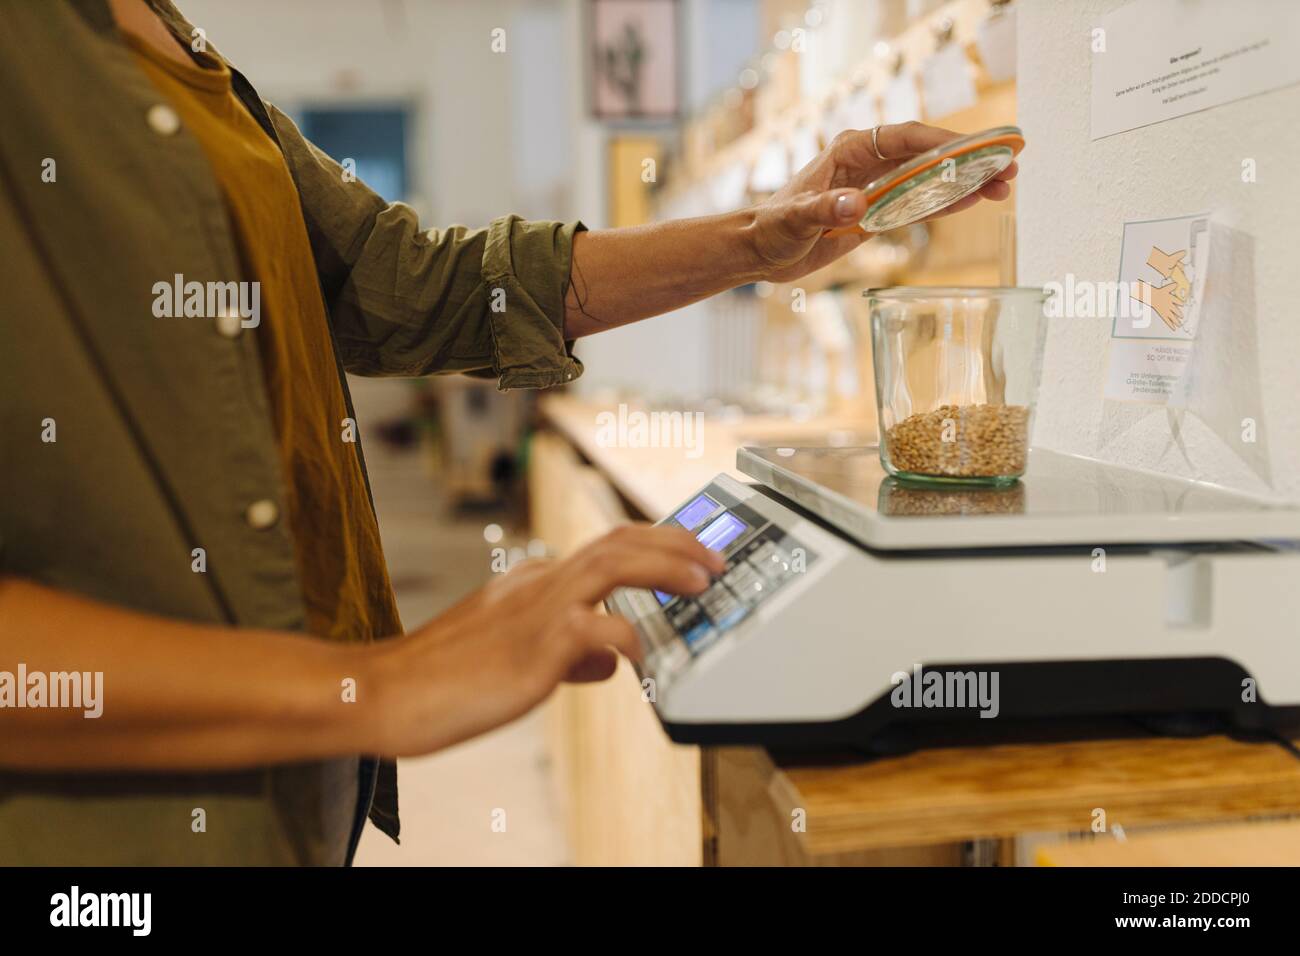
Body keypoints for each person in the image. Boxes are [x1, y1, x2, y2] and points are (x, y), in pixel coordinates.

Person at [0, 0, 1016, 865]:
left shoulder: (176, 38)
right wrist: (372, 683)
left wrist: (762, 236)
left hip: (286, 785)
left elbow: (406, 282)